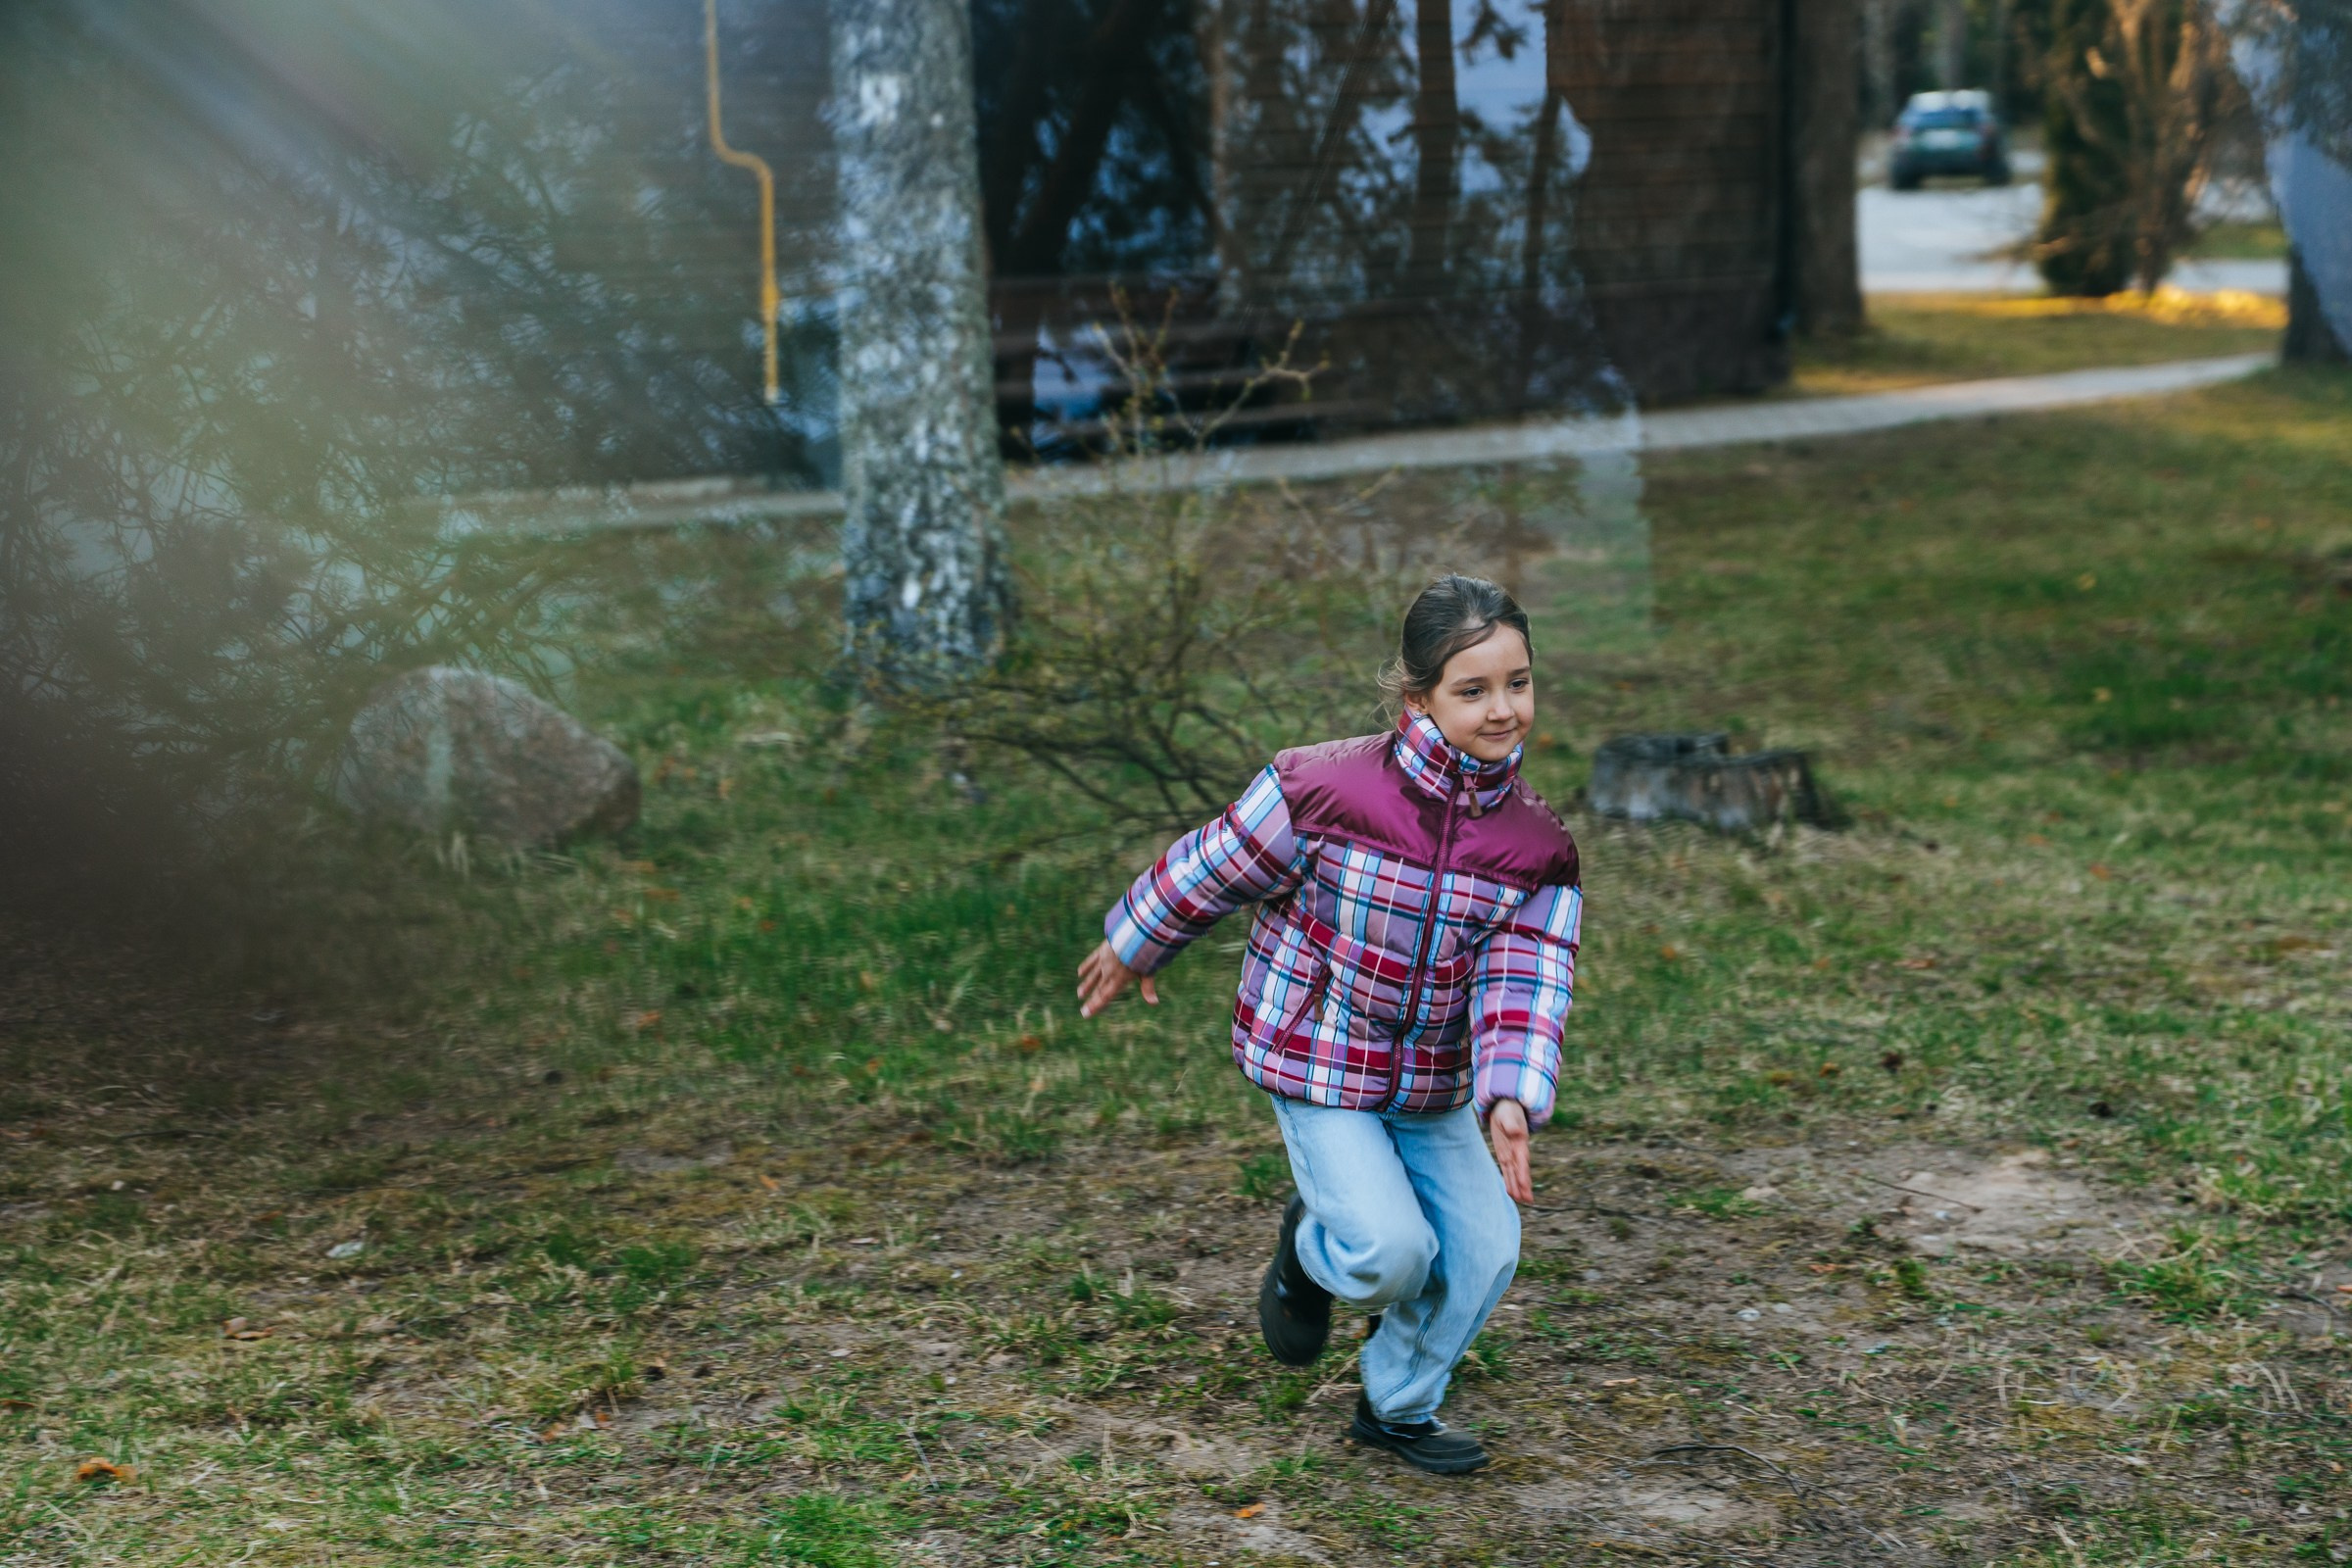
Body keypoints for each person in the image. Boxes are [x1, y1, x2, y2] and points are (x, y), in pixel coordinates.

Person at [1076, 573, 1583, 1475]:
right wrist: (1136, 942)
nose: (1503, 709)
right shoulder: (1321, 789)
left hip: (1430, 1085)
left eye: (1518, 683)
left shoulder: (1535, 849)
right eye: (1473, 690)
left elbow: (1526, 976)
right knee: (1390, 1251)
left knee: (1484, 1250)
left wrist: (1510, 1093)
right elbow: (1215, 865)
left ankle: (1397, 1406)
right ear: (1418, 698)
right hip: (1319, 1058)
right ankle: (1311, 1255)